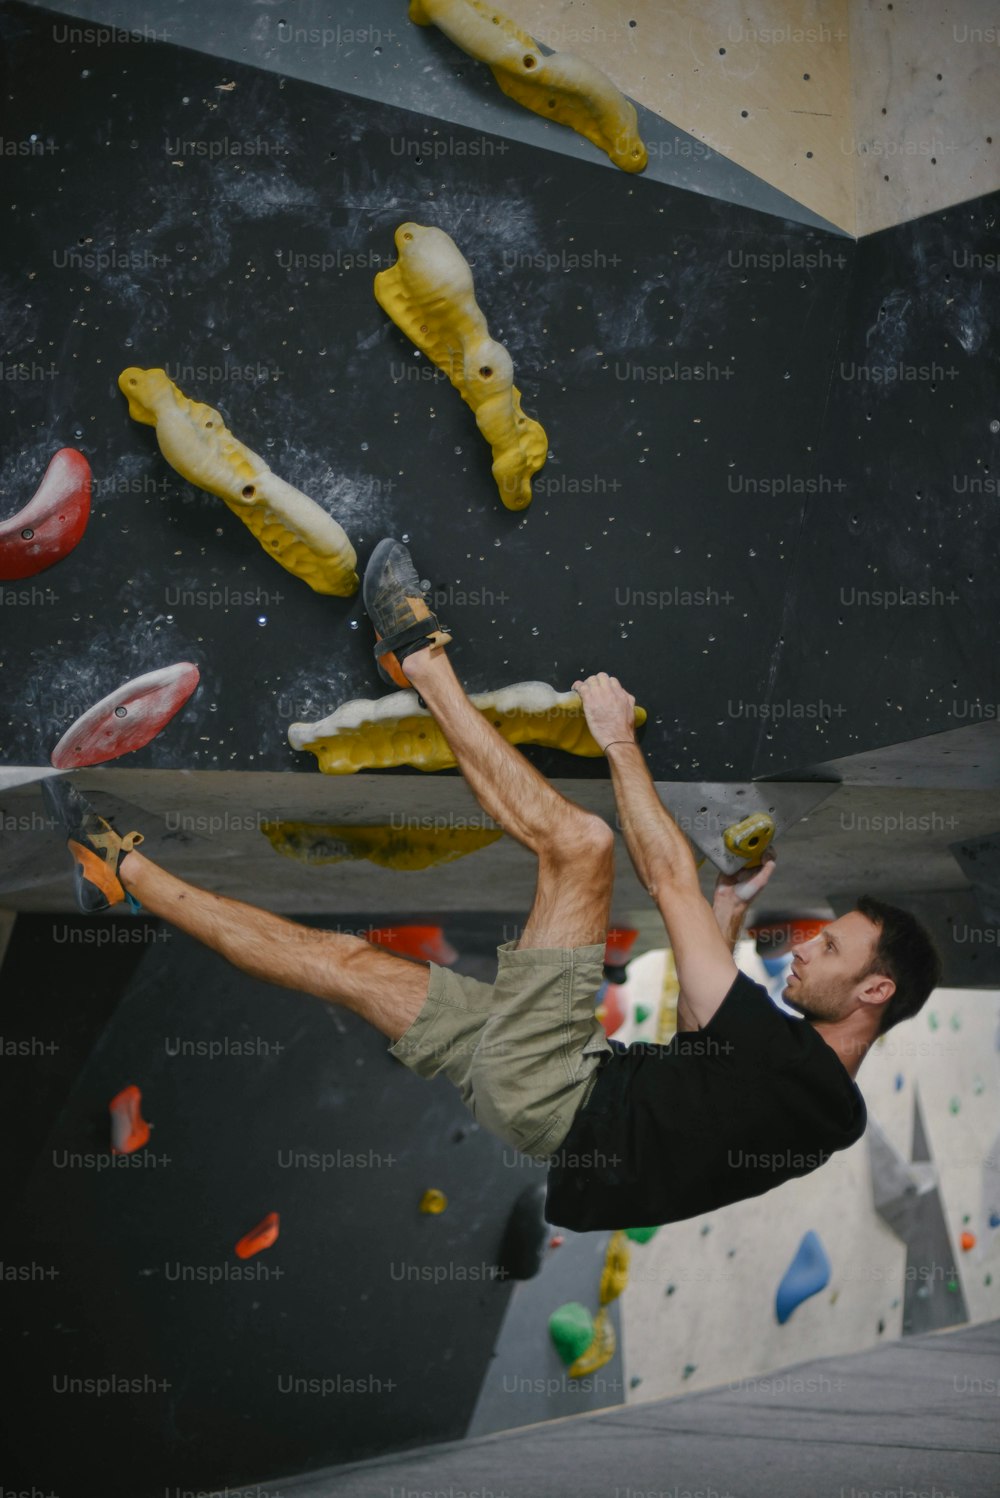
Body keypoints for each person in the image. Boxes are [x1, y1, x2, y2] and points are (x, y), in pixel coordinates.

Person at [44, 539, 942, 1231]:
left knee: (583, 846)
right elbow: (693, 1080)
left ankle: (417, 653)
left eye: (833, 946)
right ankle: (118, 868)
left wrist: (616, 741)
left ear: (876, 989)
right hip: (548, 1103)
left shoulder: (797, 1072)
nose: (807, 944)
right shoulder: (812, 1109)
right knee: (349, 968)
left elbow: (664, 876)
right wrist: (724, 917)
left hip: (554, 1080)